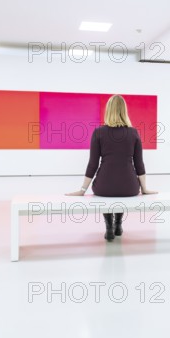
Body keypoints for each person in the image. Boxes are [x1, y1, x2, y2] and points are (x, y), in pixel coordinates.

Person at [66, 94, 157, 241]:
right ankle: (118, 224)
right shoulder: (133, 133)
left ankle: (108, 226)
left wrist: (82, 190)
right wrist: (144, 189)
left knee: (109, 190)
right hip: (130, 188)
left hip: (103, 187)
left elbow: (93, 164)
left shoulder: (99, 132)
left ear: (108, 110)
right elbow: (139, 164)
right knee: (120, 188)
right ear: (124, 111)